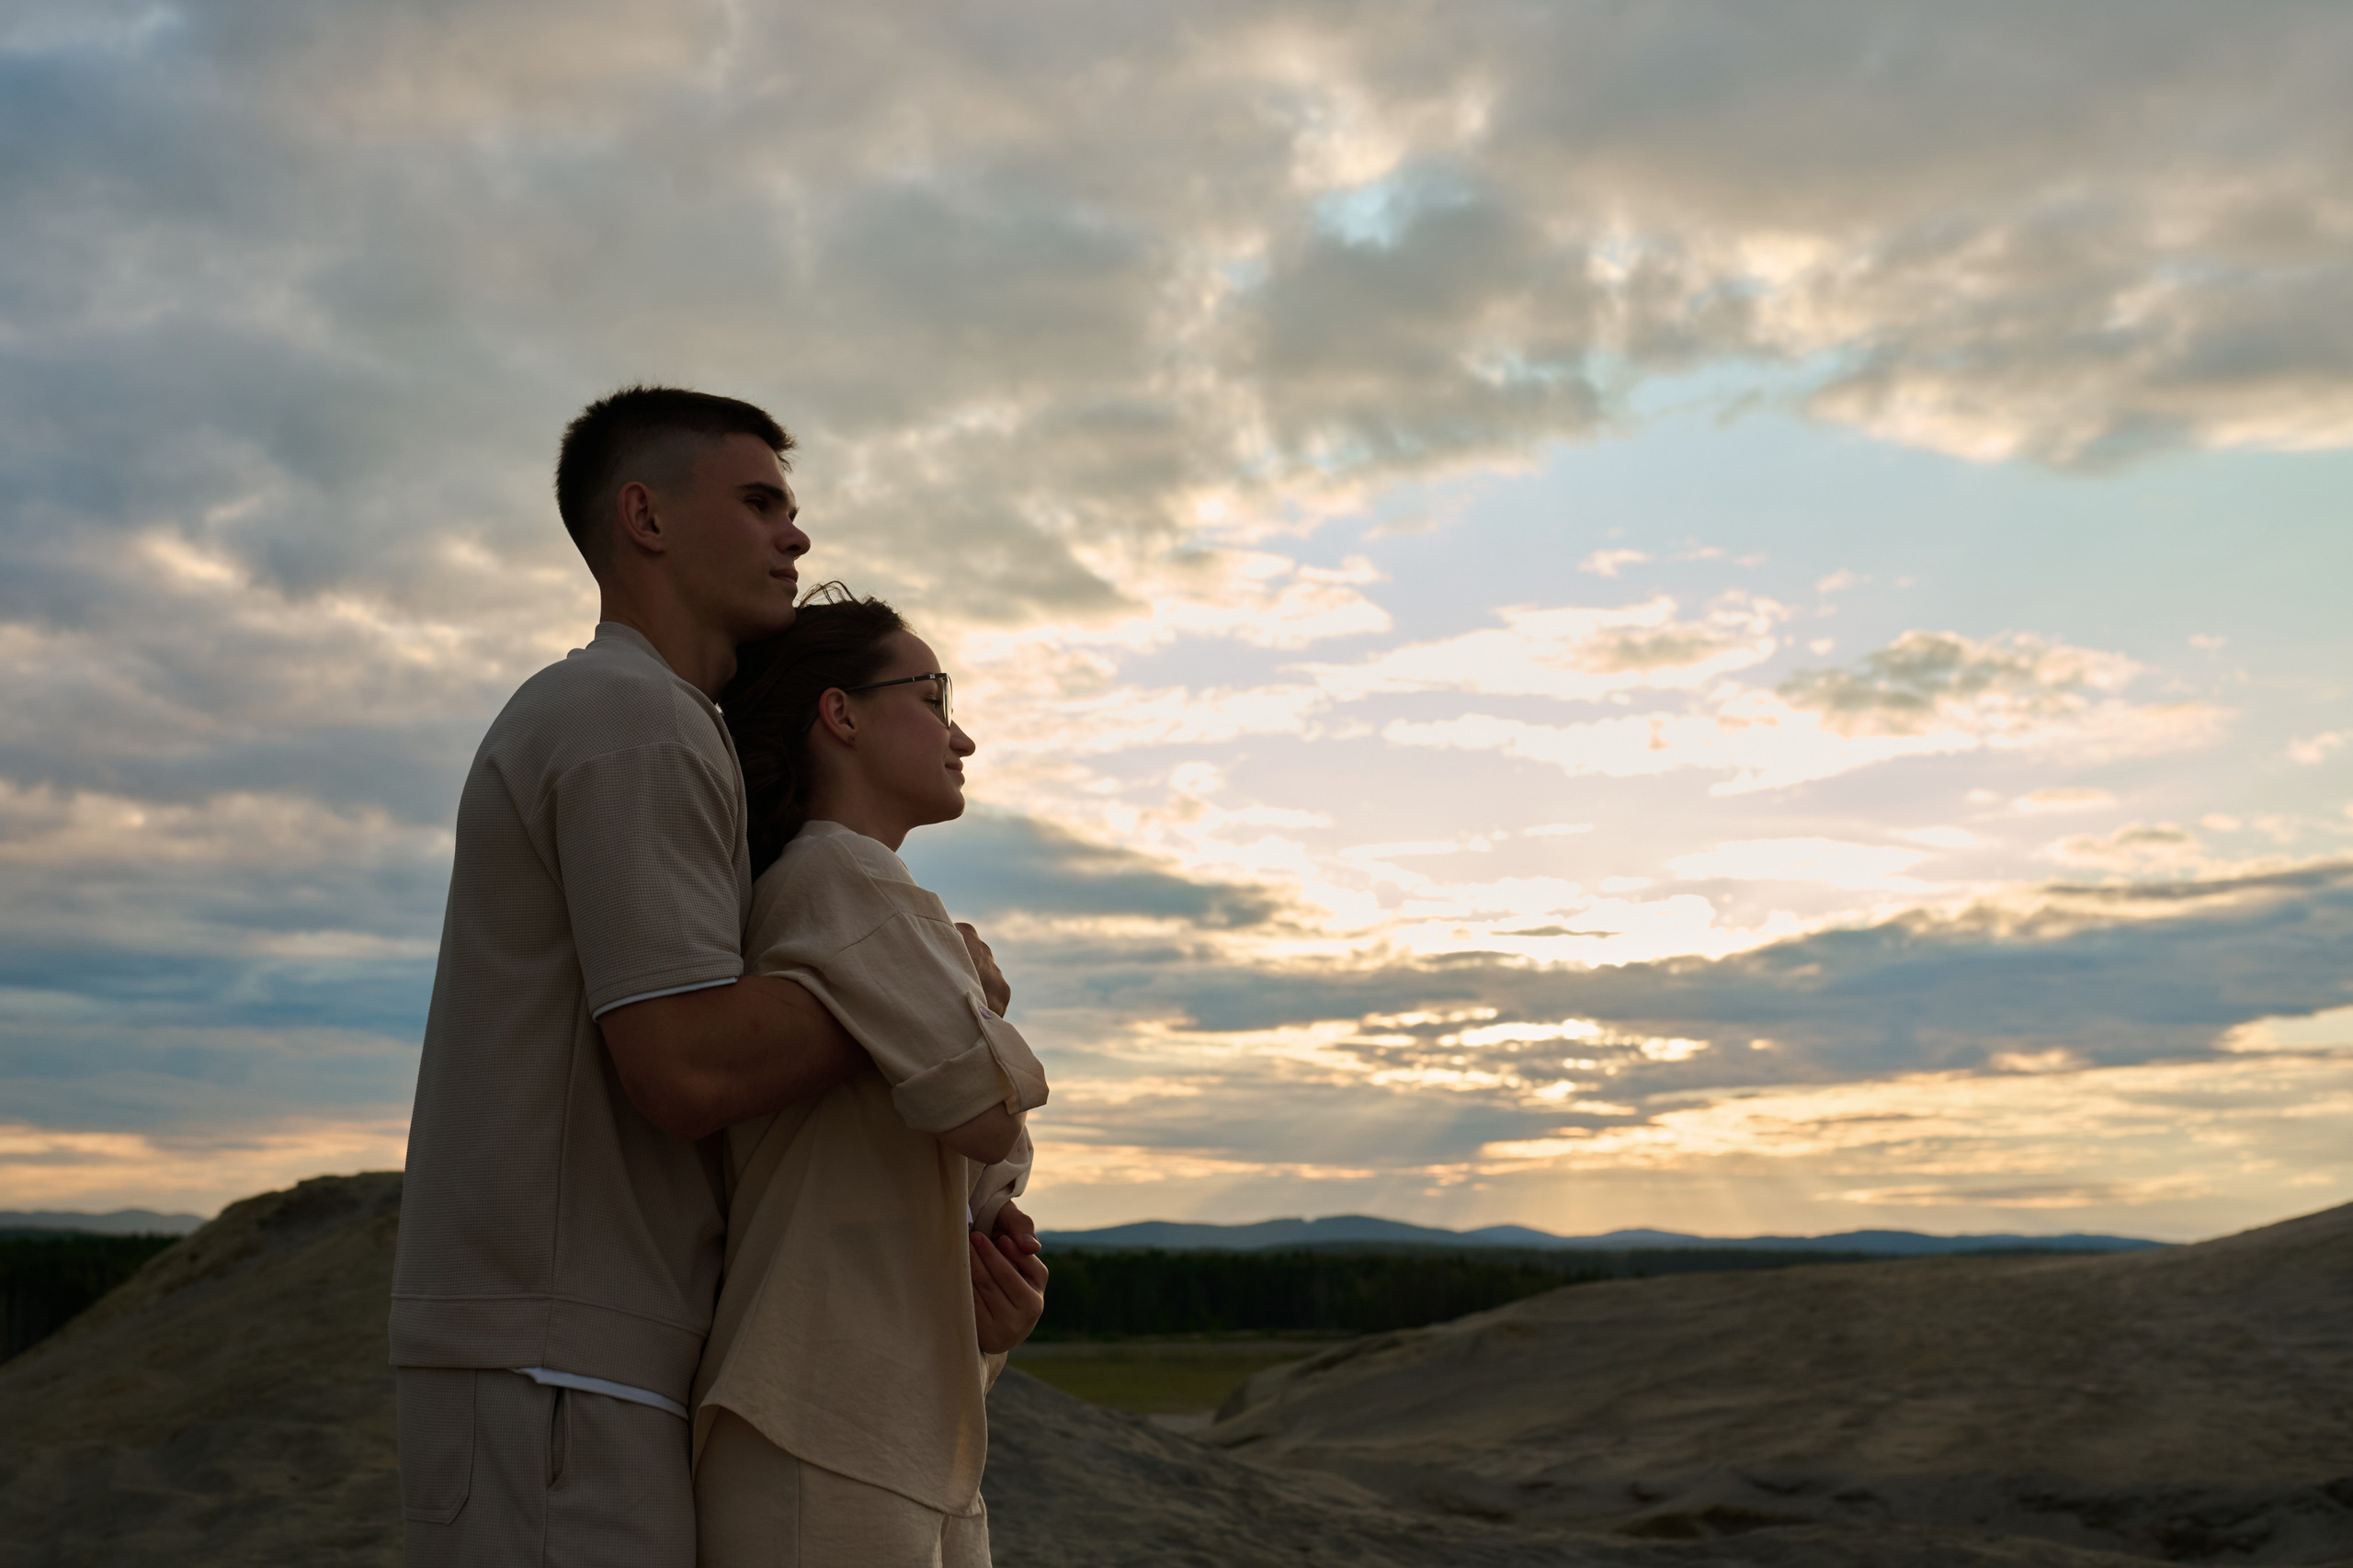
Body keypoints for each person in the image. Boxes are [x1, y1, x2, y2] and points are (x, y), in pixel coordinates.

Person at [389, 388, 1032, 1568]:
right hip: (558, 1353)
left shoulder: (656, 726)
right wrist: (926, 988)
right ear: (643, 514)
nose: (794, 535)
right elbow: (684, 1067)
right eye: (758, 502)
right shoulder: (629, 716)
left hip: (602, 1347)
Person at [691, 586, 1051, 1567]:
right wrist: (974, 985)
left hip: (887, 1429)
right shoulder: (837, 879)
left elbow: (979, 1176)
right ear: (838, 714)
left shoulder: (873, 900)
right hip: (822, 1425)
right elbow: (986, 1107)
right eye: (932, 698)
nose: (961, 734)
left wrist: (998, 1311)